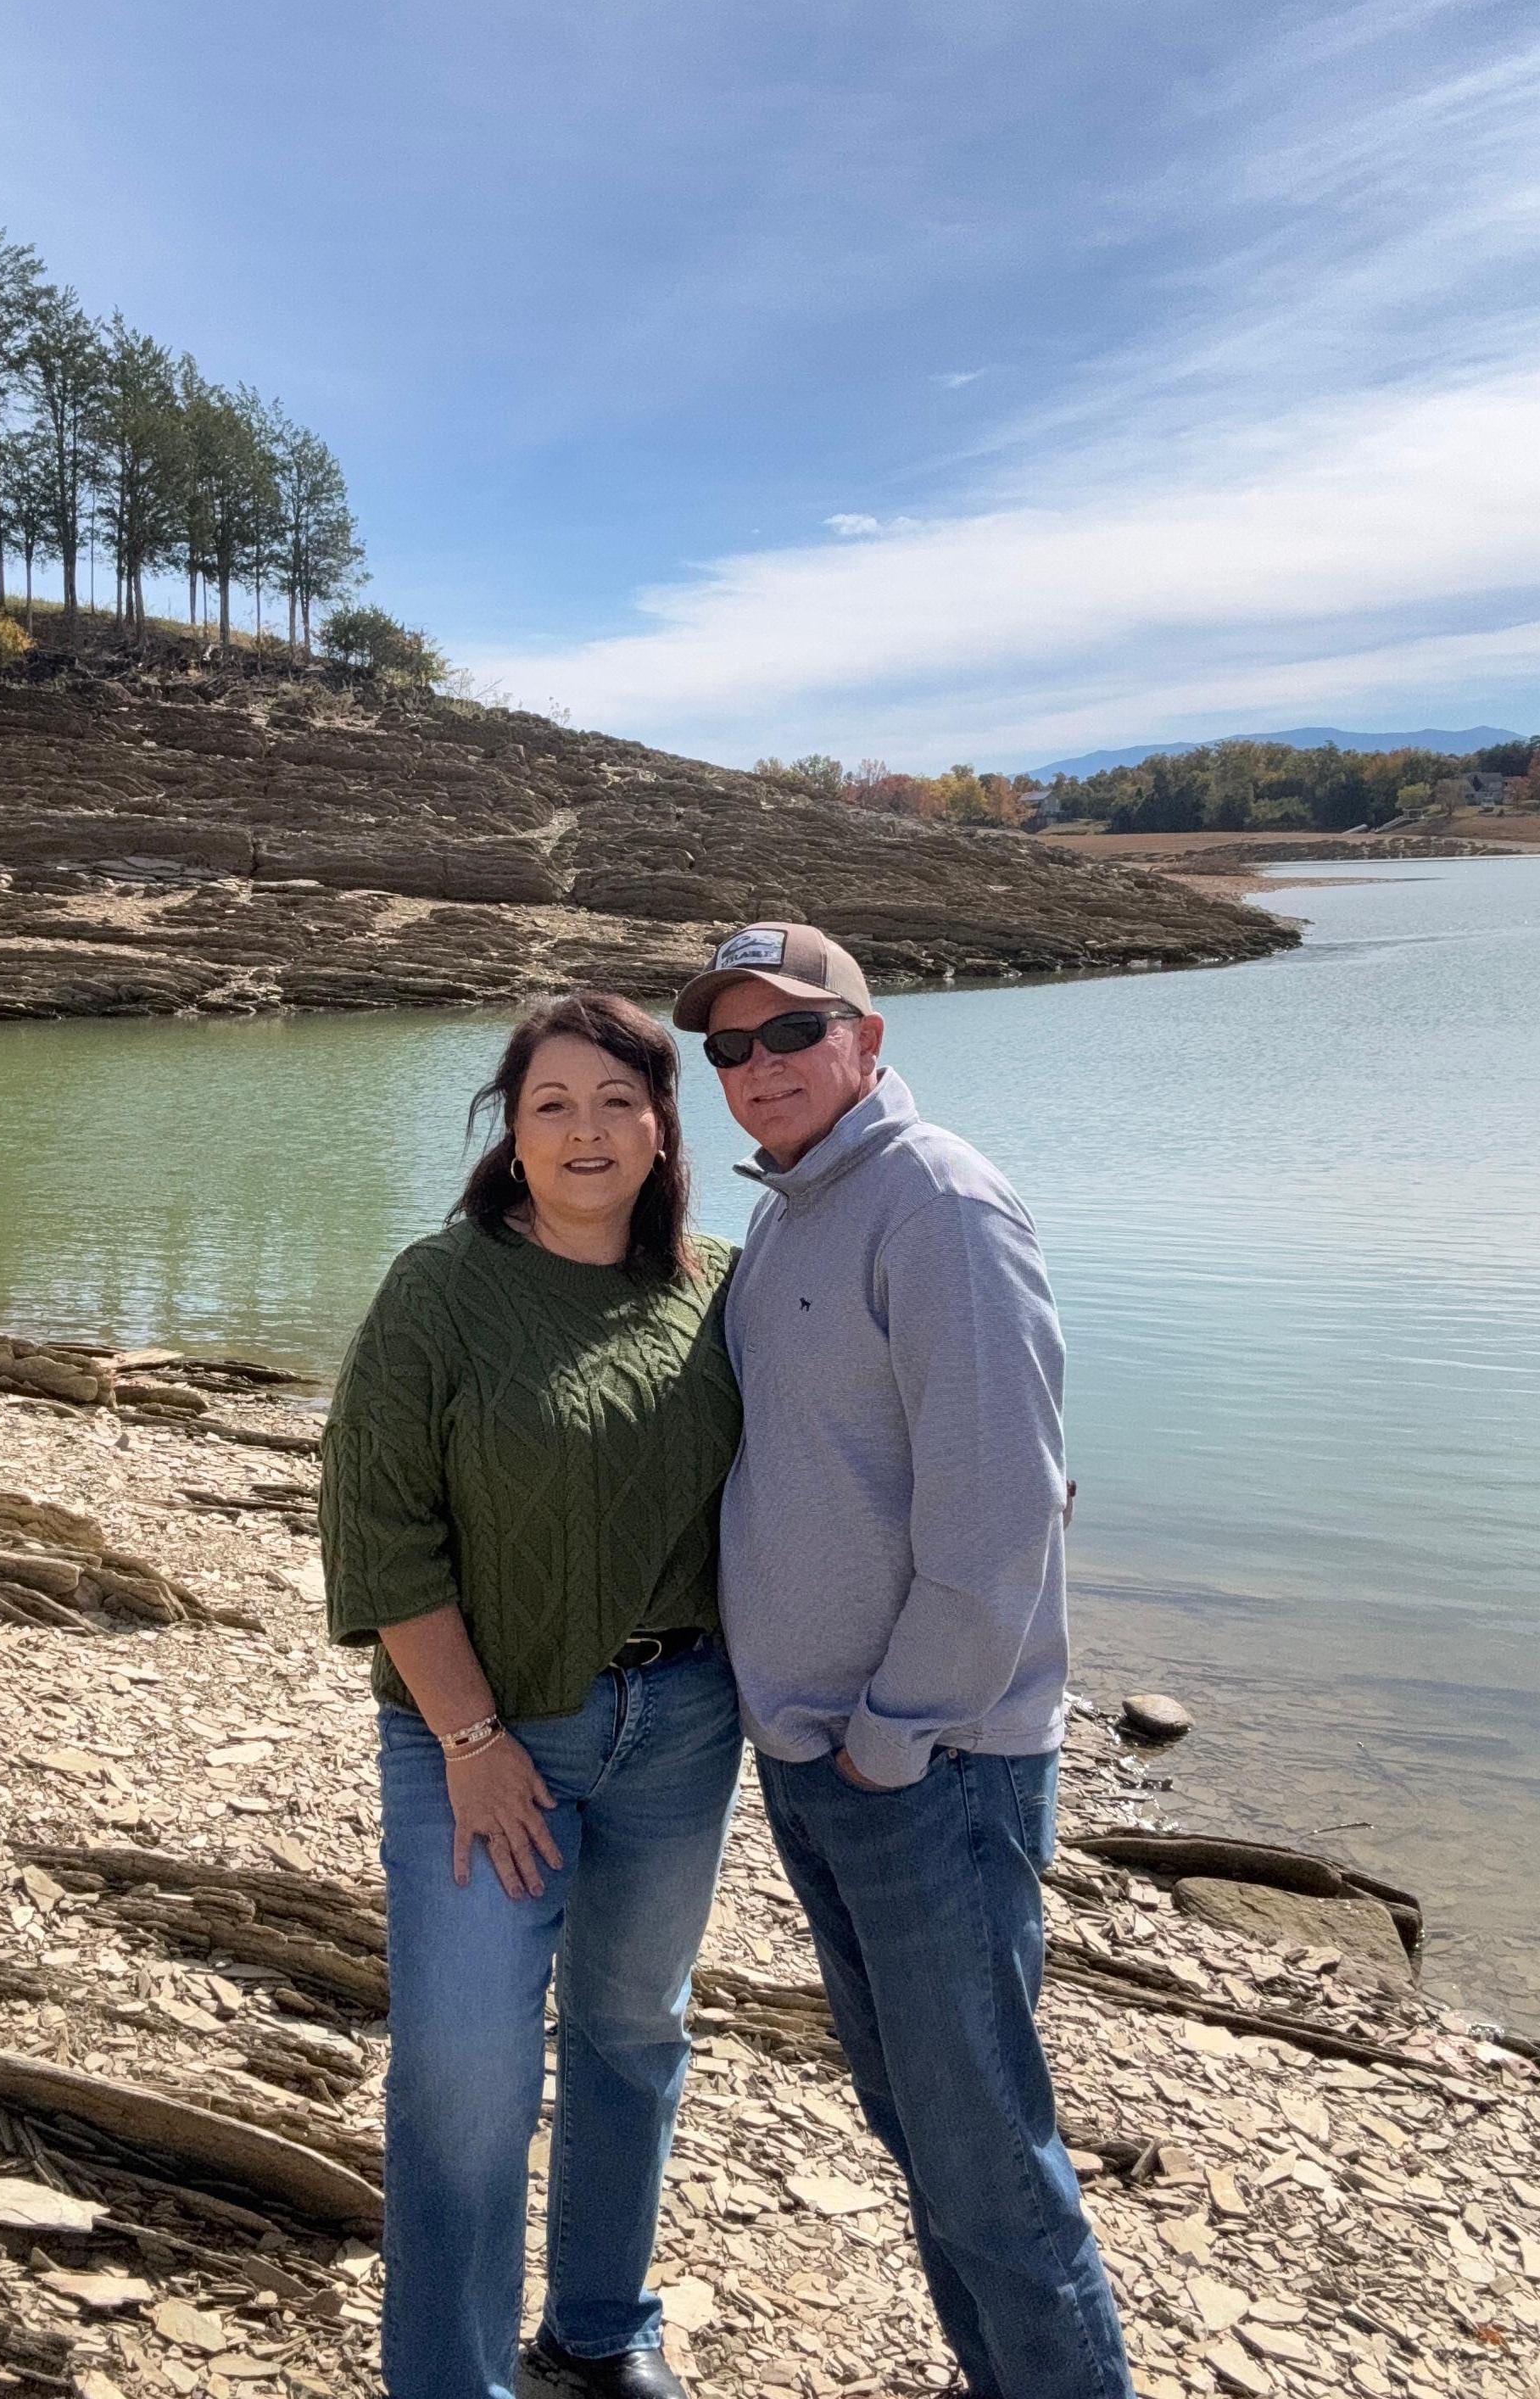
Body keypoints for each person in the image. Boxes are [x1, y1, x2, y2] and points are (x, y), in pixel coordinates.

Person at [673, 923, 1136, 2399]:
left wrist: (895, 1735)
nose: (759, 1067)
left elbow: (1001, 1517)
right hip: (822, 1757)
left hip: (930, 1768)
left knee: (987, 2155)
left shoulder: (938, 1205)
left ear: (867, 1042)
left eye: (792, 1032)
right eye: (730, 1047)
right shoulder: (790, 1214)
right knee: (919, 2130)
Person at [319, 990, 742, 2399]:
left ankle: (601, 2329)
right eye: (554, 1104)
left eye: (620, 1101)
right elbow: (379, 1533)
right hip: (482, 1736)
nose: (587, 1131)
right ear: (511, 1130)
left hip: (682, 1729)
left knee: (635, 2035)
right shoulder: (438, 1291)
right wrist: (473, 1736)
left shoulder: (721, 1289)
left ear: (663, 1125)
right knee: (465, 2076)